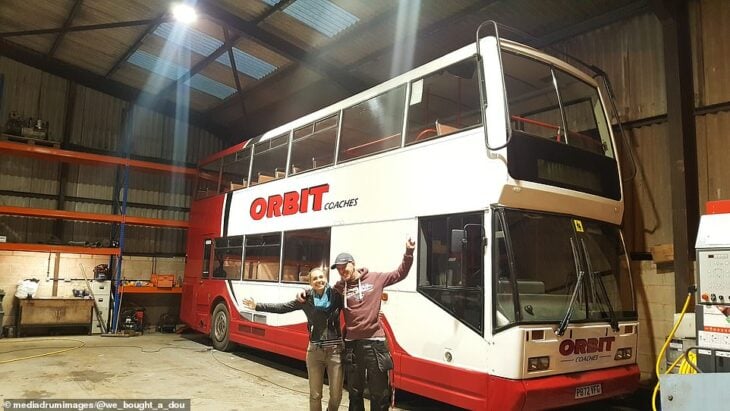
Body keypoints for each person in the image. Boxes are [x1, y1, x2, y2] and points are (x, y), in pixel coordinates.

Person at [328, 239, 416, 411]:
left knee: (380, 392)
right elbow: (322, 295)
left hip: (375, 343)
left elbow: (400, 273)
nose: (341, 271)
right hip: (352, 345)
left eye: (344, 266)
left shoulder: (375, 278)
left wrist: (409, 252)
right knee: (354, 392)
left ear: (353, 264)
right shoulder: (340, 287)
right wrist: (305, 295)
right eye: (338, 269)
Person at [243, 267, 344, 411]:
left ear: (326, 278)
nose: (319, 280)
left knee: (336, 396)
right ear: (310, 282)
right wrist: (258, 306)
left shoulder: (336, 296)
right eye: (314, 279)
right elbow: (284, 307)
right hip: (315, 352)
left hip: (335, 352)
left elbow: (353, 307)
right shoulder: (306, 299)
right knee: (315, 395)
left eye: (321, 277)